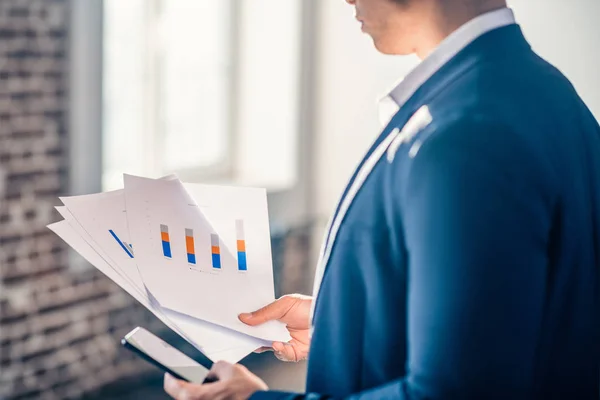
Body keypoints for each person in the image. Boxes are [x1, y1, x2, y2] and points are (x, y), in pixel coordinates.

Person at [164, 0, 600, 398]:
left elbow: (455, 391)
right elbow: (510, 318)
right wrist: (339, 321)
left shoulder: (466, 136)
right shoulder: (541, 90)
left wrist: (253, 399)